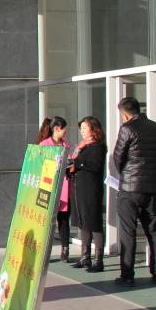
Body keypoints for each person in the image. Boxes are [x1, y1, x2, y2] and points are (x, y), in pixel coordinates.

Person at [113, 97, 156, 287]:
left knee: (128, 231)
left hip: (130, 189)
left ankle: (127, 275)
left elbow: (118, 157)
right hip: (151, 187)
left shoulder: (127, 128)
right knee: (154, 230)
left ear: (125, 114)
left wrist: (125, 175)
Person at [67, 117, 108, 273]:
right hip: (79, 187)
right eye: (81, 128)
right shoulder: (82, 146)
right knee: (83, 222)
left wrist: (77, 164)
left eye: (84, 128)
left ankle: (98, 260)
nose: (82, 131)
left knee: (94, 222)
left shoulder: (98, 146)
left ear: (93, 129)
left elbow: (95, 165)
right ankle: (85, 257)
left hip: (91, 189)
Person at [38, 116, 71, 262]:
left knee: (63, 220)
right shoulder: (44, 145)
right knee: (46, 223)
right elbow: (40, 166)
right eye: (64, 129)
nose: (65, 132)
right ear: (57, 129)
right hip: (48, 187)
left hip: (64, 188)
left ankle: (65, 250)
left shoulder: (65, 145)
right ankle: (43, 253)